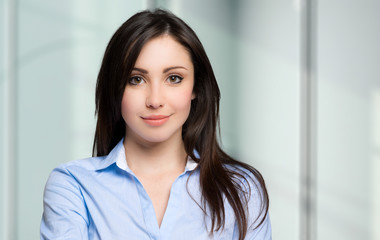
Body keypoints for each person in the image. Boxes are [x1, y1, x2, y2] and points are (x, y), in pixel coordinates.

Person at [40, 9, 271, 240]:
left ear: (196, 88)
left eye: (173, 78)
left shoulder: (242, 190)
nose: (155, 100)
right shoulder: (73, 185)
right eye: (136, 80)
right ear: (115, 88)